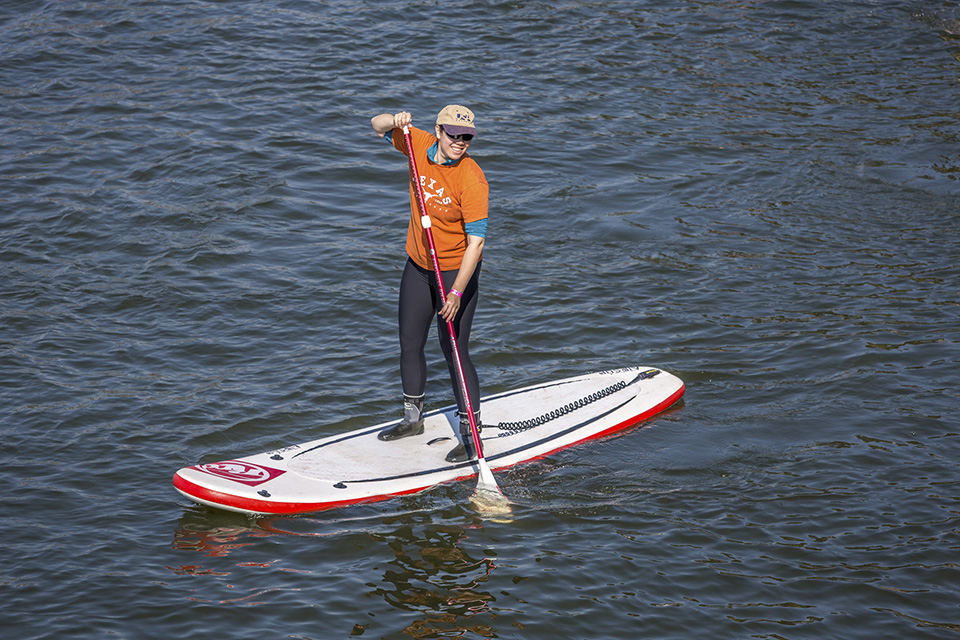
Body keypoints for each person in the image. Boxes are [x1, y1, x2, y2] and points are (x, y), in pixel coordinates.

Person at [370, 105, 489, 463]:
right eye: (454, 135)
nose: (460, 142)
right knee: (409, 341)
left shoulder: (472, 179)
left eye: (467, 137)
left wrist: (455, 293)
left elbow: (477, 243)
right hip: (420, 266)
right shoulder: (415, 142)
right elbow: (375, 126)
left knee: (454, 351)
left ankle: (471, 433)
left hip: (455, 272)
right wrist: (395, 120)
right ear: (438, 131)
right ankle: (413, 419)